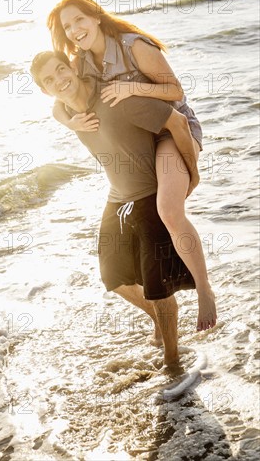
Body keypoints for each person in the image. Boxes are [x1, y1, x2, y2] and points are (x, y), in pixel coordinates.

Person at [47, 0, 216, 333]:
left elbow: (174, 90)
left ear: (95, 16)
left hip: (171, 129)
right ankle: (161, 313)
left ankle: (205, 291)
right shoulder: (81, 64)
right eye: (68, 27)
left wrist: (130, 88)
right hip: (137, 138)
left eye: (79, 19)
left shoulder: (132, 46)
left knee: (169, 210)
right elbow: (58, 101)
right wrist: (70, 122)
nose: (75, 30)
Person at [30, 50, 206, 367]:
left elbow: (177, 122)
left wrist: (192, 173)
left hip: (151, 192)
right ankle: (160, 322)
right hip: (118, 196)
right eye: (49, 80)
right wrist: (68, 121)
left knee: (158, 286)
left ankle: (172, 361)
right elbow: (59, 106)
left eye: (61, 70)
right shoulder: (67, 109)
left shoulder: (114, 98)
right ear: (45, 90)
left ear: (72, 65)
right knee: (114, 277)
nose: (60, 80)